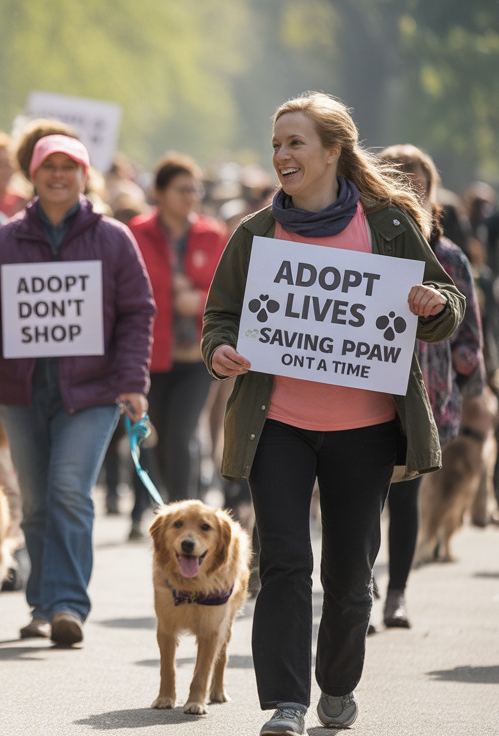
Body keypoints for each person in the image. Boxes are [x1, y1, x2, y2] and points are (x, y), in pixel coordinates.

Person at [201, 92, 463, 736]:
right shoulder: (256, 232)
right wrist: (221, 352)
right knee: (284, 559)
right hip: (279, 424)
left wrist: (433, 302)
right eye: (277, 144)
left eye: (295, 143)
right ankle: (286, 703)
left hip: (366, 431)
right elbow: (220, 318)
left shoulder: (392, 224)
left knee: (350, 573)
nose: (282, 155)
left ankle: (337, 685)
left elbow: (448, 304)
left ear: (333, 151)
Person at [0, 134, 155, 648]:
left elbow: (137, 313)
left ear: (85, 175)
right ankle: (43, 605)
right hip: (19, 393)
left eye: (70, 167)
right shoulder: (4, 239)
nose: (59, 176)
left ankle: (68, 604)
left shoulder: (113, 238)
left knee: (69, 491)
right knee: (38, 502)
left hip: (91, 393)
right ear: (34, 173)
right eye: (50, 166)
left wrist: (134, 382)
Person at [376, 144, 484, 630]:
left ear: (431, 184)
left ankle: (396, 592)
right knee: (361, 497)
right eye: (395, 172)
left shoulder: (449, 256)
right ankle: (360, 588)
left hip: (426, 390)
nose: (406, 181)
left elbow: (468, 328)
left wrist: (472, 386)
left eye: (415, 174)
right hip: (367, 387)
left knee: (405, 495)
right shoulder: (363, 240)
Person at [128, 154, 227, 519]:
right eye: (182, 189)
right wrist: (169, 290)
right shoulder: (137, 232)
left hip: (196, 356)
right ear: (160, 192)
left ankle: (187, 516)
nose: (191, 196)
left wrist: (197, 301)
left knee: (181, 435)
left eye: (195, 189)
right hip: (150, 353)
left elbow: (226, 291)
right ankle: (168, 511)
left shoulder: (211, 234)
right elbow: (128, 287)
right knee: (156, 438)